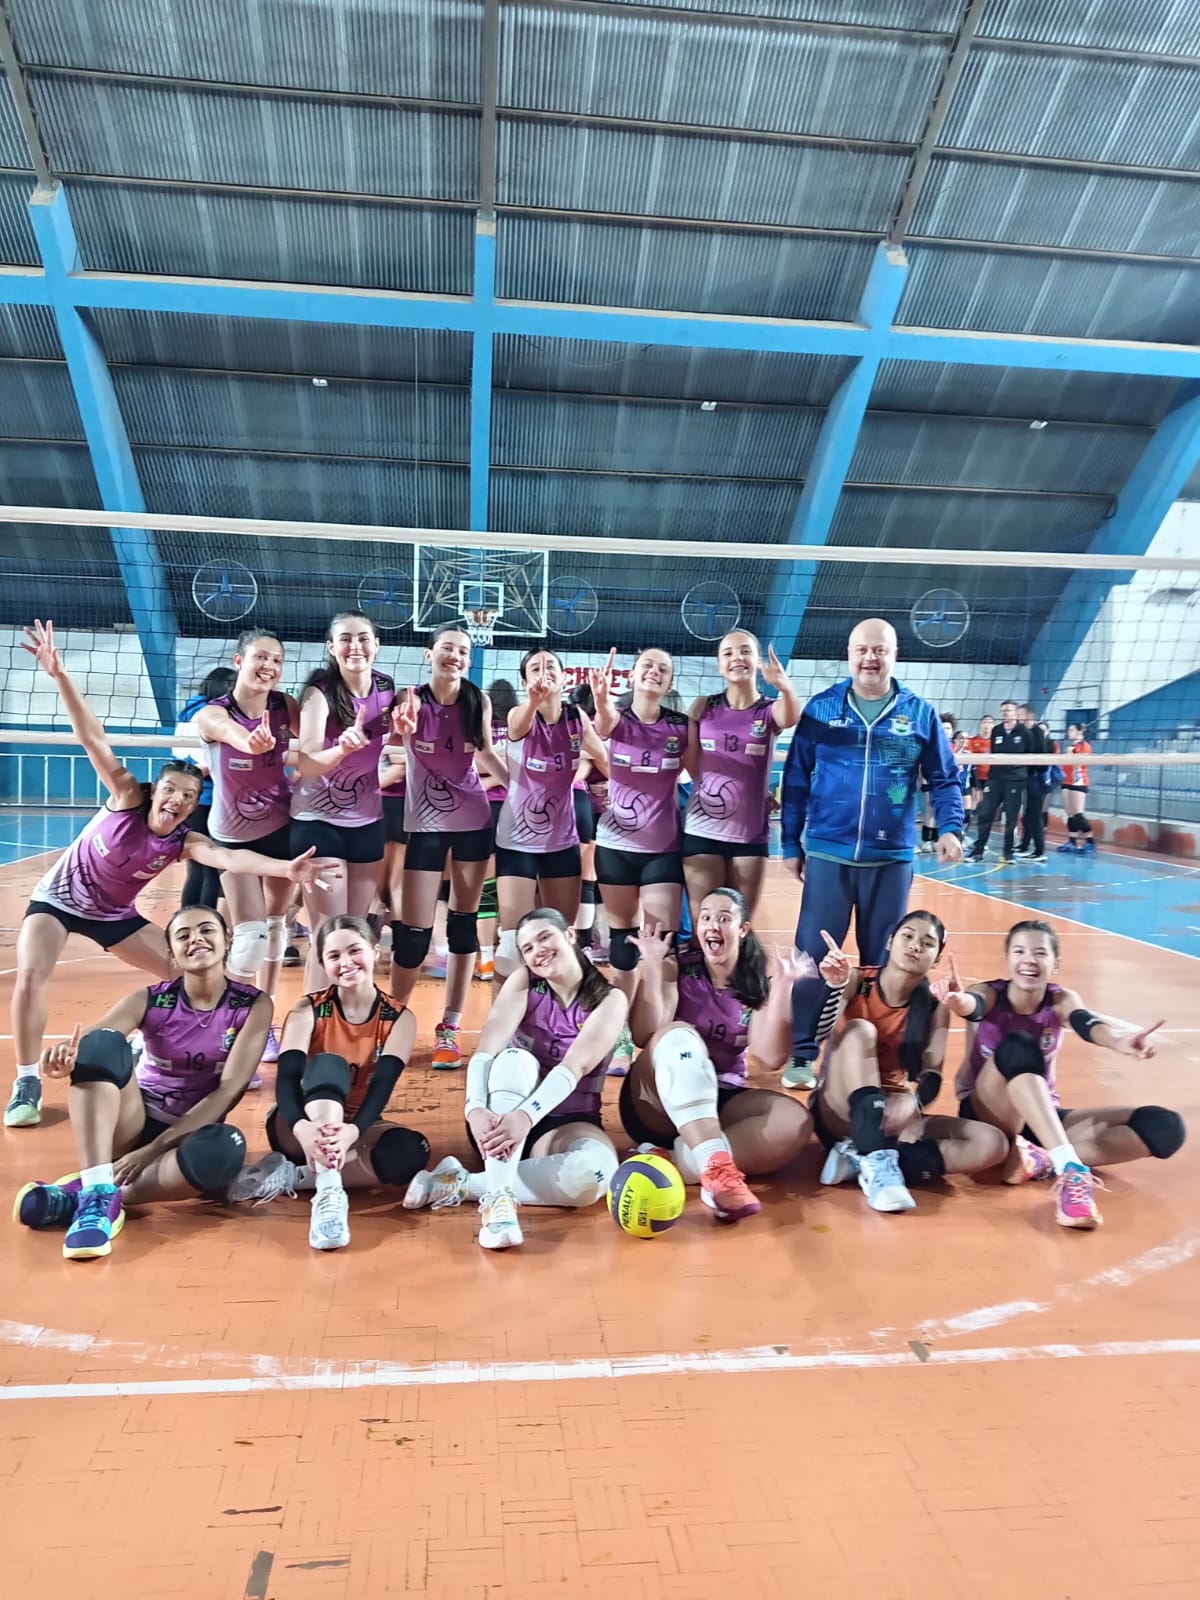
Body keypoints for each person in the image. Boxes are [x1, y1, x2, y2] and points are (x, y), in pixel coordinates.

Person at [6, 620, 330, 1130]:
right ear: (155, 791)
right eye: (171, 791)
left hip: (115, 915)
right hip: (59, 902)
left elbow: (232, 860)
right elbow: (91, 737)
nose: (177, 801)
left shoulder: (183, 840)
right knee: (30, 975)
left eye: (187, 796)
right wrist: (60, 676)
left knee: (193, 977)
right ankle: (27, 1079)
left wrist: (286, 868)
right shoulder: (125, 798)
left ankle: (151, 1049)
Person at [14, 905, 271, 1259]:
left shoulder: (252, 1005)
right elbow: (88, 1044)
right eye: (183, 935)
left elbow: (229, 1090)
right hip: (131, 1123)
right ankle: (97, 1192)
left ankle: (95, 1193)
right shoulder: (152, 999)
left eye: (206, 930)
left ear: (228, 940)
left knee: (226, 1148)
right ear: (172, 952)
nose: (196, 939)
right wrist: (63, 1061)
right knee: (101, 1044)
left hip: (187, 1136)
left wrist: (153, 1150)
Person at [780, 617, 964, 1090]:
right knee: (814, 957)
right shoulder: (822, 709)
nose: (870, 658)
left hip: (891, 858)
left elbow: (944, 778)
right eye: (862, 649)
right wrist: (790, 842)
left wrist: (950, 827)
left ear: (894, 655)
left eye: (879, 649)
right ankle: (803, 1053)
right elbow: (795, 779)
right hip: (829, 854)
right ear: (849, 653)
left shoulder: (919, 714)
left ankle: (878, 1056)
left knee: (885, 966)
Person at [403, 908, 626, 1251]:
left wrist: (527, 1117)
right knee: (514, 1058)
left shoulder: (610, 999)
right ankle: (499, 1205)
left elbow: (575, 1067)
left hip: (564, 1122)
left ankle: (459, 1183)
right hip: (500, 1114)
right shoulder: (525, 981)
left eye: (545, 937)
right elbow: (485, 1052)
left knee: (596, 1175)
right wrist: (475, 1110)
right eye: (527, 948)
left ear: (569, 934)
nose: (539, 950)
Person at [954, 919, 1184, 1229]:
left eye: (1040, 953)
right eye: (1019, 951)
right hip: (989, 1113)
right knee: (1019, 1045)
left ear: (1056, 963)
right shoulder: (989, 993)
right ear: (1008, 959)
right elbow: (974, 1005)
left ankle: (1042, 1159)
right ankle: (1070, 1168)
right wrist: (960, 1002)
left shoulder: (1061, 1000)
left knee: (1164, 1126)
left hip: (1040, 1116)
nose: (1029, 960)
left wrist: (1117, 1041)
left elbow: (1085, 1023)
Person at [228, 915, 426, 1250]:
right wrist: (302, 1127)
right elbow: (287, 1080)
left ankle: (297, 1177)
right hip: (299, 1122)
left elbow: (382, 1088)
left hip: (356, 1123)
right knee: (328, 1064)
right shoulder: (308, 1009)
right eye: (334, 956)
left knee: (411, 1152)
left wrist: (353, 1131)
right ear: (322, 964)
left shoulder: (399, 1018)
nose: (346, 962)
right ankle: (330, 1193)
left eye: (354, 951)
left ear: (375, 951)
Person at [620, 890, 813, 1221]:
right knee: (679, 1034)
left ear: (743, 929)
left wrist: (783, 988)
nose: (713, 925)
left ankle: (676, 1161)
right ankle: (716, 1165)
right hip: (655, 1102)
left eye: (724, 918)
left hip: (719, 1097)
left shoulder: (756, 979)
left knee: (795, 1122)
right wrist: (651, 969)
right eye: (706, 917)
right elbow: (643, 1035)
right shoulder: (677, 966)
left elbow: (770, 1057)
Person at [810, 913, 1008, 1213]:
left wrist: (914, 1102)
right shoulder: (857, 981)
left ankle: (859, 1159)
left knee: (991, 1143)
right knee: (861, 1030)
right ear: (891, 942)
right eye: (908, 936)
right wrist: (833, 986)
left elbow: (932, 1074)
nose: (915, 945)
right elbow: (815, 1033)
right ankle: (878, 1162)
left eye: (927, 943)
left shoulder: (933, 1005)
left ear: (936, 958)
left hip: (891, 1112)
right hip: (839, 1107)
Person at [387, 625, 505, 1068]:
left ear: (470, 659)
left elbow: (486, 753)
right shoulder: (411, 699)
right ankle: (391, 1020)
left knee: (463, 925)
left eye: (463, 650)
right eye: (447, 648)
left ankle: (450, 1027)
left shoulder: (477, 699)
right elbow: (391, 741)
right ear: (429, 654)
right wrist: (398, 731)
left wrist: (520, 789)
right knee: (414, 936)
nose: (455, 655)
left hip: (473, 820)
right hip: (425, 825)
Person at [195, 628, 299, 1049]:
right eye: (260, 657)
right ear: (239, 661)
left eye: (276, 660)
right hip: (232, 839)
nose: (268, 666)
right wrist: (250, 741)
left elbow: (319, 734)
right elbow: (229, 733)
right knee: (250, 939)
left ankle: (263, 1022)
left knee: (275, 931)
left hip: (281, 829)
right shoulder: (213, 713)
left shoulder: (285, 706)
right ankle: (230, 1025)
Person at [291, 610, 395, 988]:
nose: (356, 646)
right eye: (346, 639)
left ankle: (347, 1015)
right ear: (331, 647)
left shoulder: (386, 687)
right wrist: (341, 749)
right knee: (329, 933)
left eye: (363, 638)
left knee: (354, 933)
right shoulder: (319, 693)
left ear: (376, 645)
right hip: (318, 824)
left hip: (367, 822)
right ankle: (313, 1017)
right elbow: (306, 762)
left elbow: (401, 737)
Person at [493, 647, 607, 977]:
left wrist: (625, 789)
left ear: (564, 676)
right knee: (512, 944)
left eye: (551, 667)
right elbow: (518, 724)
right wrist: (533, 700)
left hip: (561, 839)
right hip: (517, 841)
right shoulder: (519, 715)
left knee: (559, 939)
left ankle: (554, 1008)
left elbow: (605, 760)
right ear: (524, 681)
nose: (544, 673)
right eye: (534, 668)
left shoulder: (576, 718)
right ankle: (508, 1011)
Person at [592, 647, 698, 998]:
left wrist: (753, 795)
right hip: (615, 846)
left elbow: (702, 776)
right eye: (648, 665)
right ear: (633, 675)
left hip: (662, 848)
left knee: (661, 943)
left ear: (669, 682)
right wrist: (601, 698)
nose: (655, 671)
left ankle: (661, 1017)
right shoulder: (616, 718)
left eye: (663, 669)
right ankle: (621, 1019)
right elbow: (604, 722)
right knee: (622, 940)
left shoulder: (681, 726)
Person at [683, 631, 799, 920]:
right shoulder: (703, 706)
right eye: (728, 653)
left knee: (740, 925)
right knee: (704, 926)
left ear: (757, 660)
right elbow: (692, 766)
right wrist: (732, 790)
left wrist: (784, 686)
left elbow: (790, 717)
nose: (737, 658)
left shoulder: (768, 709)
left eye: (745, 651)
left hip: (749, 834)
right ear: (720, 666)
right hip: (702, 829)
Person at [175, 666, 237, 910]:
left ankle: (187, 918)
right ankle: (208, 921)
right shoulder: (212, 715)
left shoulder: (188, 712)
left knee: (197, 868)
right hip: (208, 800)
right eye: (232, 687)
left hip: (191, 800)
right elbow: (207, 764)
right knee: (212, 869)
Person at [967, 700, 1034, 863]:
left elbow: (1031, 755)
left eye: (1008, 710)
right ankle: (978, 851)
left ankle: (1008, 853)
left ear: (1016, 713)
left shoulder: (1024, 732)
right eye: (1003, 711)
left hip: (1015, 780)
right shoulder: (996, 730)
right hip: (995, 779)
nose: (1005, 713)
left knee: (1011, 818)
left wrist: (1021, 773)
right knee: (985, 814)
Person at [1013, 703, 1049, 862]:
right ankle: (1024, 845)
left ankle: (1039, 851)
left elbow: (1041, 758)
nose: (1018, 717)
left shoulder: (1037, 732)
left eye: (1020, 714)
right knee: (1028, 814)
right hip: (1028, 778)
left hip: (1037, 780)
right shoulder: (1023, 731)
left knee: (1035, 815)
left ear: (1029, 716)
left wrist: (1032, 771)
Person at [1057, 723, 1096, 854]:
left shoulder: (1084, 746)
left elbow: (1078, 765)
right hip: (1066, 781)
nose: (1069, 732)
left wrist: (1070, 754)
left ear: (1079, 732)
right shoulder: (1071, 746)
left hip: (1078, 781)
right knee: (1070, 814)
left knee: (1078, 813)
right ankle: (1072, 841)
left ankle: (1090, 841)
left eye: (1072, 730)